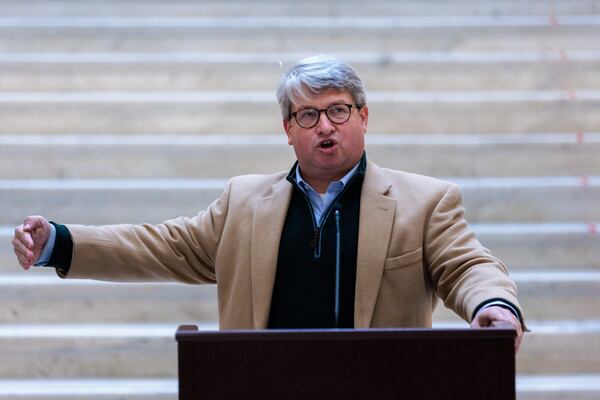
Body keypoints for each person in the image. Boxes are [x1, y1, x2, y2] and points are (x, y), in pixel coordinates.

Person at [12, 55, 524, 351]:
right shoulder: (243, 203)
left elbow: (468, 266)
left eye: (339, 111)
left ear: (364, 118)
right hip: (262, 384)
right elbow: (162, 246)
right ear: (287, 130)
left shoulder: (425, 202)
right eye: (308, 115)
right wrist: (59, 241)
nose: (325, 126)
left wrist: (494, 306)